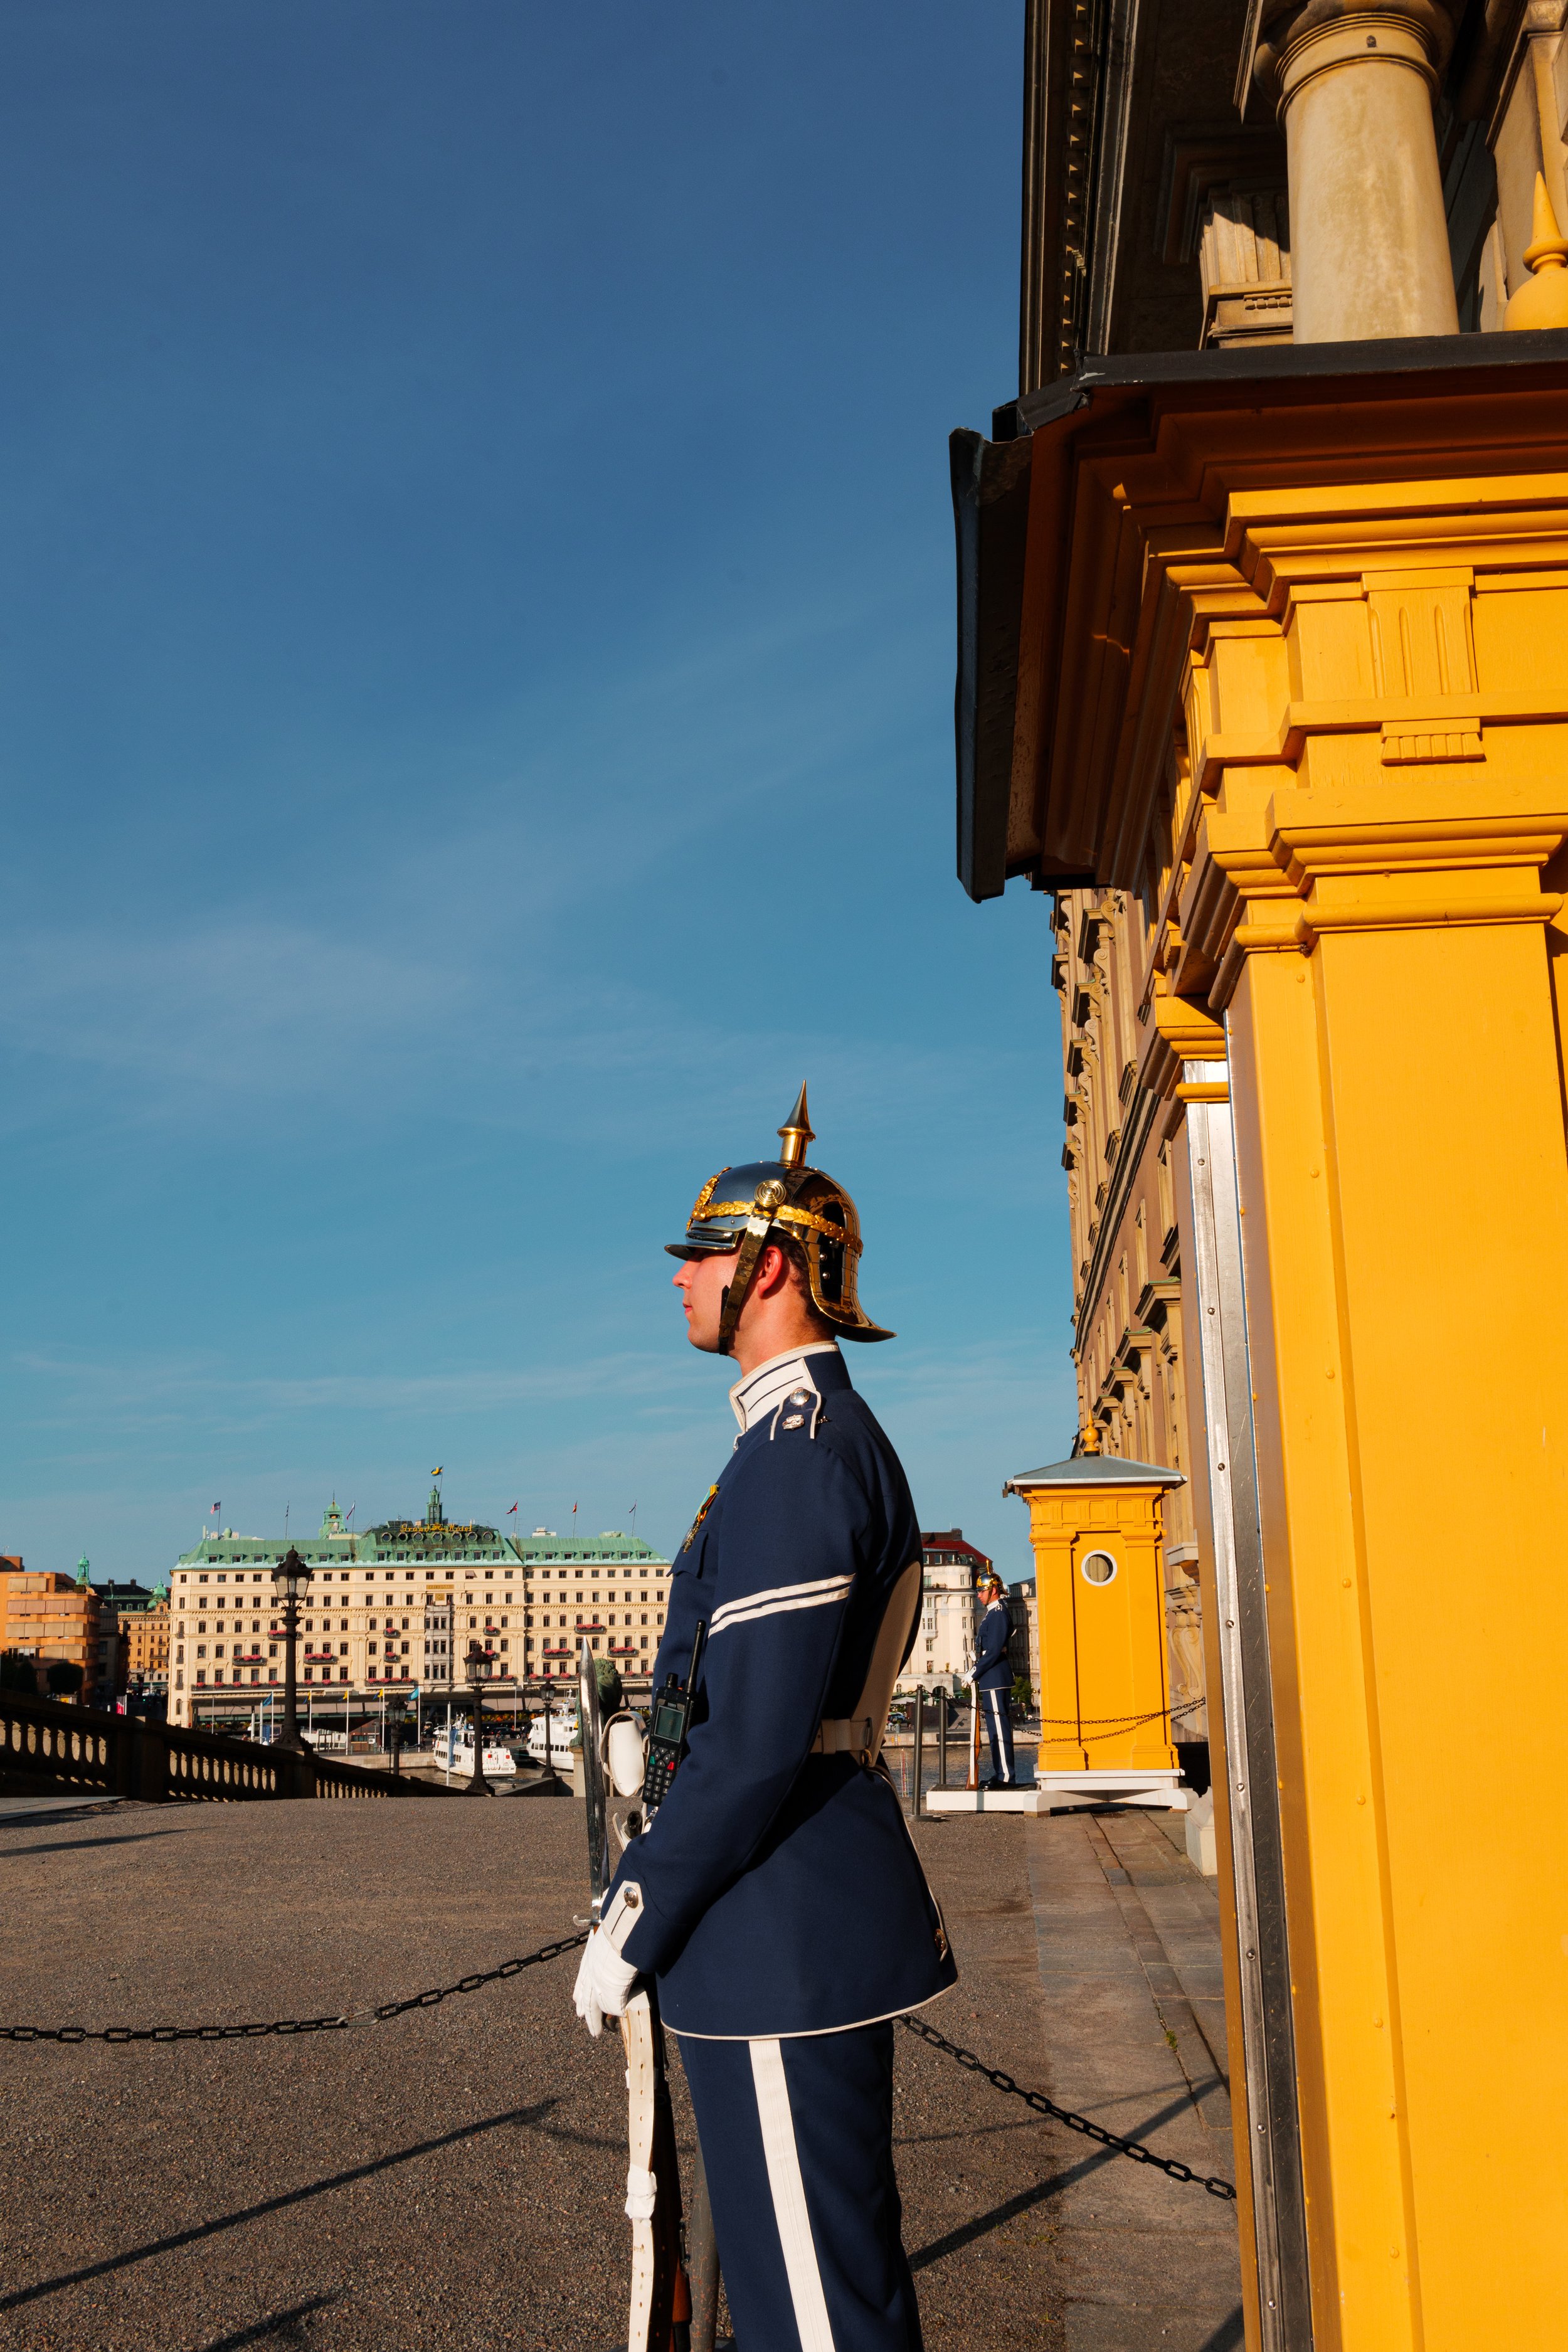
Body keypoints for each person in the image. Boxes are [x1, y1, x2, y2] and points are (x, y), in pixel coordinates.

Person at [573, 1085, 956, 2352]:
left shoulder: (795, 1450)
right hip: (773, 1920)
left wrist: (640, 1906)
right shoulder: (785, 1440)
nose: (681, 1276)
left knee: (814, 2319)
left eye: (702, 1252)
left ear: (770, 1264)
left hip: (777, 1921)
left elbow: (753, 1742)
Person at [968, 1572, 1015, 1788]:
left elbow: (995, 1650)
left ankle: (1005, 1775)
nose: (979, 1595)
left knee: (999, 1729)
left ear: (993, 1590)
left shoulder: (997, 1613)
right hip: (991, 1678)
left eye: (982, 1591)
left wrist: (974, 1671)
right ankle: (1001, 1773)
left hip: (995, 1678)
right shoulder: (992, 1613)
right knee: (995, 1731)